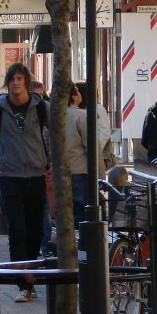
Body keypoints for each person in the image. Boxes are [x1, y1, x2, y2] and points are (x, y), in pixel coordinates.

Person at [0, 62, 50, 302]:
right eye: (12, 79)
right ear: (7, 83)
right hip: (9, 177)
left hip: (37, 176)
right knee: (16, 231)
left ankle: (29, 272)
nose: (15, 83)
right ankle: (23, 284)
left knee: (35, 230)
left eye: (19, 79)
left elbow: (58, 136)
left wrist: (53, 165)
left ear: (27, 82)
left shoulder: (41, 107)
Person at [65, 83, 89, 227]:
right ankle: (82, 241)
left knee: (67, 207)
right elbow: (90, 145)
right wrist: (99, 171)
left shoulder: (56, 114)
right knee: (81, 205)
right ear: (74, 96)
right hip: (79, 168)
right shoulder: (81, 115)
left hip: (61, 169)